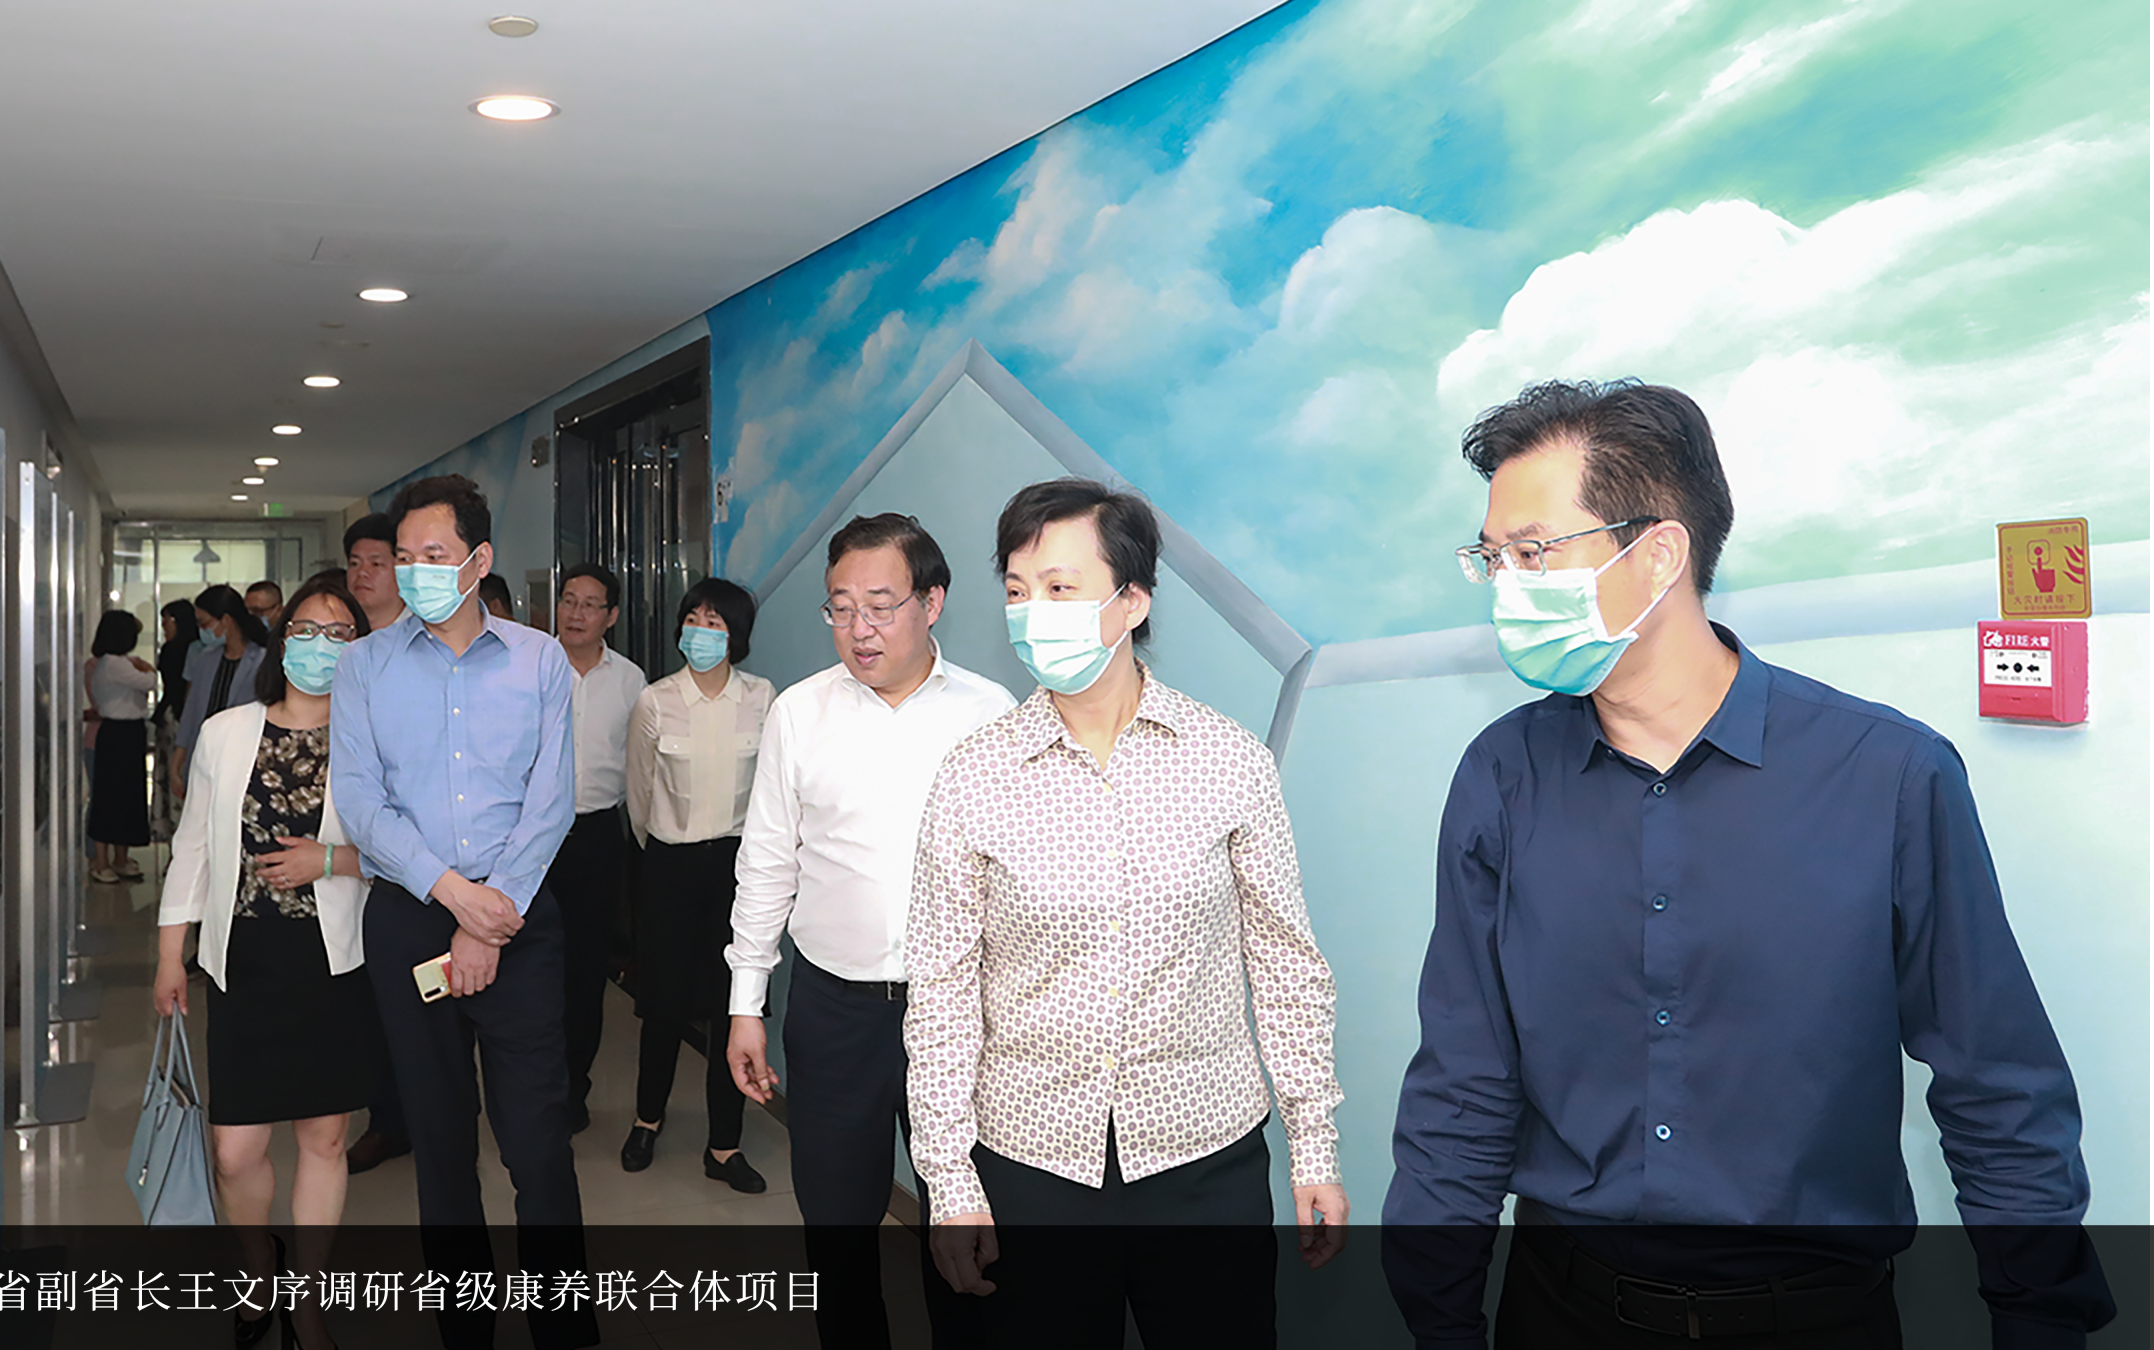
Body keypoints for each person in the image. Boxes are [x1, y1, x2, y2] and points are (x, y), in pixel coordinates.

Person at [1382, 380, 2114, 1350]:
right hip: (1561, 1305)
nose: (1506, 585)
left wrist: (2041, 1318)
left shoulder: (1889, 774)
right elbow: (1464, 1078)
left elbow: (1997, 1082)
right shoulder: (1502, 777)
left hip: (1815, 1313)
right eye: (1493, 558)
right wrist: (1438, 1317)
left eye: (1533, 552)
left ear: (1658, 555)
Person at [910, 480, 1348, 1346]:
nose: (1032, 612)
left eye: (1060, 588)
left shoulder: (1228, 760)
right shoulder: (972, 776)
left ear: (1132, 601)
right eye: (1017, 590)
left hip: (1203, 1156)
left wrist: (1314, 1144)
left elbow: (1286, 962)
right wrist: (949, 1180)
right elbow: (942, 991)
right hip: (1031, 1159)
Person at [724, 513, 1014, 1349]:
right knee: (837, 1229)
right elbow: (767, 863)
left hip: (960, 1015)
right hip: (834, 1010)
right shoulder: (799, 712)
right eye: (841, 608)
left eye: (881, 606)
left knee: (963, 1223)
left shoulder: (991, 714)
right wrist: (747, 1003)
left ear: (933, 602)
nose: (860, 629)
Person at [331, 473, 593, 1350]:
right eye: (403, 558)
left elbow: (550, 801)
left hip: (520, 916)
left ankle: (564, 1329)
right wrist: (456, 899)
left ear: (478, 561)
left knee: (538, 1144)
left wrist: (495, 911)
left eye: (433, 556)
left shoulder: (538, 659)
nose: (413, 573)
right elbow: (361, 803)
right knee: (440, 1147)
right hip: (413, 916)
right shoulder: (365, 665)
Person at [154, 574, 382, 1350]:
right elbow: (192, 850)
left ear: (361, 650)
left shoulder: (373, 737)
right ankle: (259, 1269)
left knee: (324, 1140)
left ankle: (308, 1301)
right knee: (235, 1151)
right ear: (282, 642)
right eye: (307, 631)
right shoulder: (227, 732)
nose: (322, 647)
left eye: (340, 634)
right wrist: (170, 955)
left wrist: (333, 859)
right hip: (244, 961)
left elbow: (409, 851)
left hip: (334, 963)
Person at [622, 578, 771, 1191]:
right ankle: (646, 1119)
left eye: (714, 622)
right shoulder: (655, 701)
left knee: (730, 1005)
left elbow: (771, 793)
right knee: (661, 1004)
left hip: (736, 870)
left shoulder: (762, 699)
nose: (700, 632)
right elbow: (638, 796)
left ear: (737, 635)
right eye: (693, 619)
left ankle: (724, 1145)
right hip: (669, 868)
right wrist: (664, 852)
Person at [547, 562, 645, 1134]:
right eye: (568, 600)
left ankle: (572, 1090)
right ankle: (534, 1087)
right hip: (534, 837)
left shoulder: (631, 681)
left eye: (590, 604)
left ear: (611, 616)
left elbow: (642, 765)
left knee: (585, 974)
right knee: (533, 969)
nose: (576, 613)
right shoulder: (530, 666)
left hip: (597, 837)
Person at [337, 515, 414, 1175]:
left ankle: (402, 1121)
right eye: (355, 562)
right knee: (364, 1005)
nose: (362, 575)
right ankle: (388, 1115)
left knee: (410, 1008)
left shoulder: (420, 649)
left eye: (377, 562)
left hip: (406, 861)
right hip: (343, 852)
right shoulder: (342, 646)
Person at [171, 584, 269, 802]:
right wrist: (178, 758)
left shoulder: (261, 661)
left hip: (242, 759)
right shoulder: (206, 659)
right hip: (204, 756)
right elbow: (192, 711)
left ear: (225, 620)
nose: (201, 630)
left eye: (204, 623)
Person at [85, 610, 158, 884]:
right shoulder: (115, 663)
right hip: (118, 734)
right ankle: (103, 861)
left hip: (126, 733)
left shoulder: (116, 663)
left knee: (127, 797)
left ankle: (120, 859)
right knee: (110, 798)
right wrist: (148, 668)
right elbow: (149, 681)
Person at [150, 598, 199, 842]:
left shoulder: (178, 650)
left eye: (166, 621)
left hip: (174, 717)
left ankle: (172, 831)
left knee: (172, 774)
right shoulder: (197, 649)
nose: (164, 627)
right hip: (176, 716)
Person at [343, 513, 407, 633]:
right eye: (354, 564)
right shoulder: (340, 632)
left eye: (376, 564)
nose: (362, 572)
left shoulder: (425, 634)